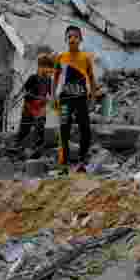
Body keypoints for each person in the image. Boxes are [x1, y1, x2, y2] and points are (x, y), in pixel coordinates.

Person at [53, 25, 97, 172]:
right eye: (69, 36)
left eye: (75, 36)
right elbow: (56, 78)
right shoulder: (61, 58)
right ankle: (63, 163)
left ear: (80, 39)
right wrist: (53, 96)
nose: (72, 39)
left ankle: (82, 161)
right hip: (65, 100)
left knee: (85, 129)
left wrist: (93, 98)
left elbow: (91, 78)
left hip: (81, 99)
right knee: (64, 129)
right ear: (66, 39)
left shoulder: (85, 58)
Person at [12, 53, 54, 156]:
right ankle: (17, 146)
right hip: (29, 106)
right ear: (40, 67)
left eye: (50, 69)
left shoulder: (48, 80)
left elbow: (51, 94)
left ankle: (37, 149)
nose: (49, 71)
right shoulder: (33, 78)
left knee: (40, 128)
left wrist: (52, 100)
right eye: (47, 68)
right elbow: (25, 91)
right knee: (25, 127)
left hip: (40, 108)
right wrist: (16, 96)